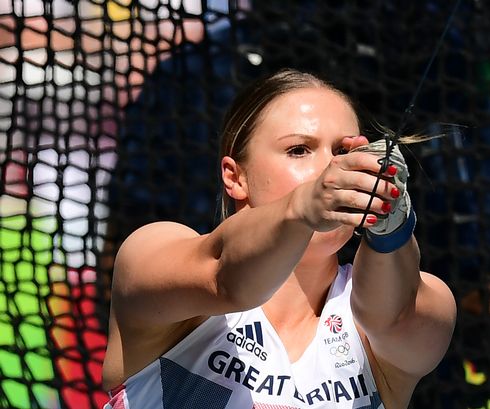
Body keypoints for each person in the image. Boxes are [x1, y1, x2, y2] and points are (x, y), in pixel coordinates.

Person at [101, 69, 456, 408]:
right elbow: (228, 281)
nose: (330, 168)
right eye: (299, 150)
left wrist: (390, 223)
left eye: (344, 153)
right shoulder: (154, 250)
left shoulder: (419, 304)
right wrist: (303, 206)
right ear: (235, 176)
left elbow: (391, 316)